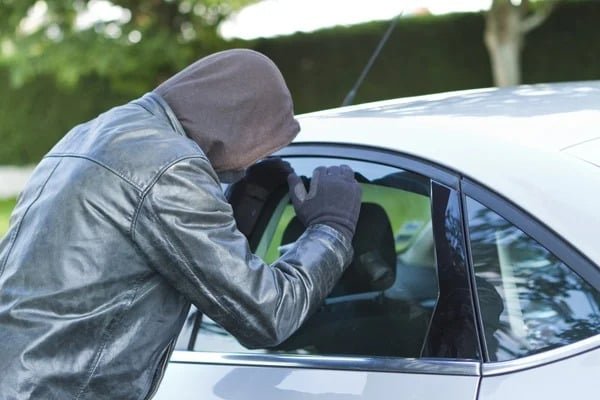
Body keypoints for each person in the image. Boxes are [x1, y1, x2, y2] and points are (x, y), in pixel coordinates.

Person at [0, 49, 362, 399]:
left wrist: (234, 214)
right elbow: (268, 314)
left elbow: (111, 262)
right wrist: (331, 229)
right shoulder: (171, 168)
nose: (247, 166)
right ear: (239, 121)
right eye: (259, 148)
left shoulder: (91, 134)